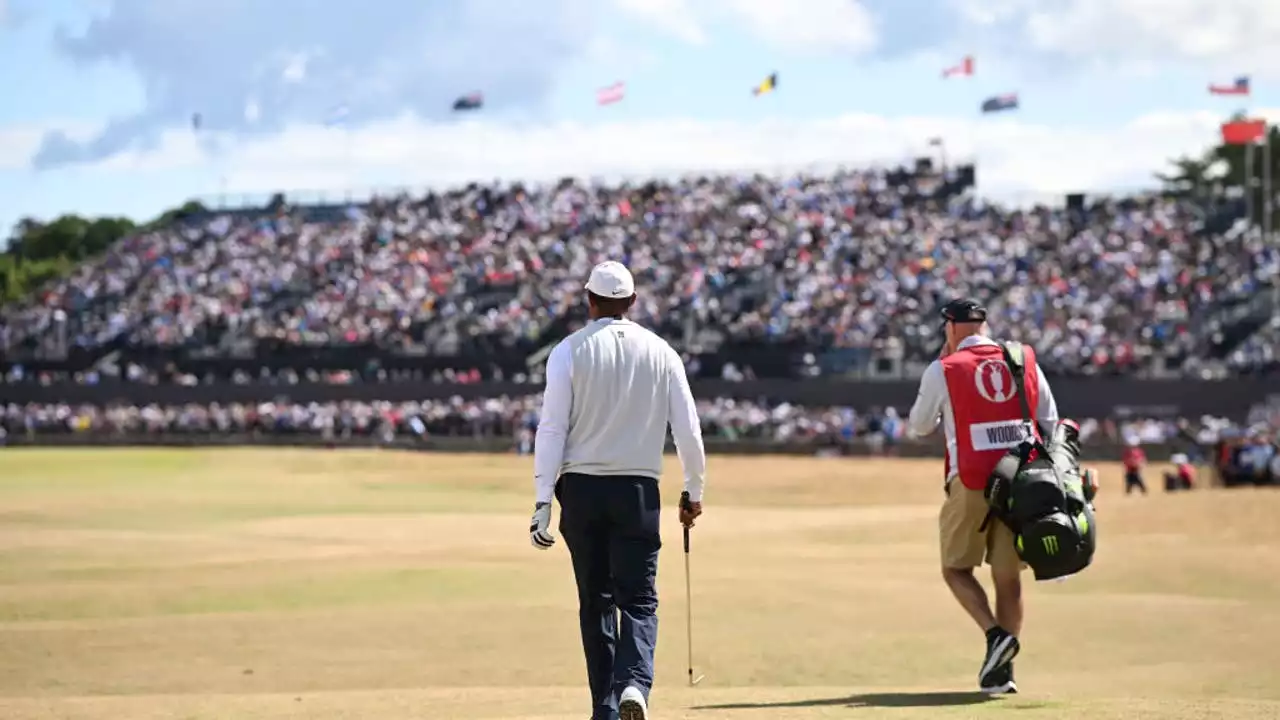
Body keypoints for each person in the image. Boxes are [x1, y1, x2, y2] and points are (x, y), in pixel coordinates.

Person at [528, 260, 707, 720]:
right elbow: (687, 430)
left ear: (590, 302)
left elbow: (551, 430)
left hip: (581, 490)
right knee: (640, 599)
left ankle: (605, 708)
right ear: (631, 302)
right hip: (638, 490)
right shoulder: (662, 351)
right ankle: (634, 685)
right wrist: (693, 490)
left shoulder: (568, 350)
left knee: (597, 602)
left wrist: (543, 499)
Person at [907, 298, 1059, 696]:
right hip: (1024, 481)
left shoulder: (943, 368)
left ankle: (995, 637)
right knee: (1008, 578)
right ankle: (1001, 675)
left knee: (955, 568)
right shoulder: (1023, 358)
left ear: (952, 327)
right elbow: (1050, 420)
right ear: (984, 325)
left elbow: (919, 426)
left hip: (972, 480)